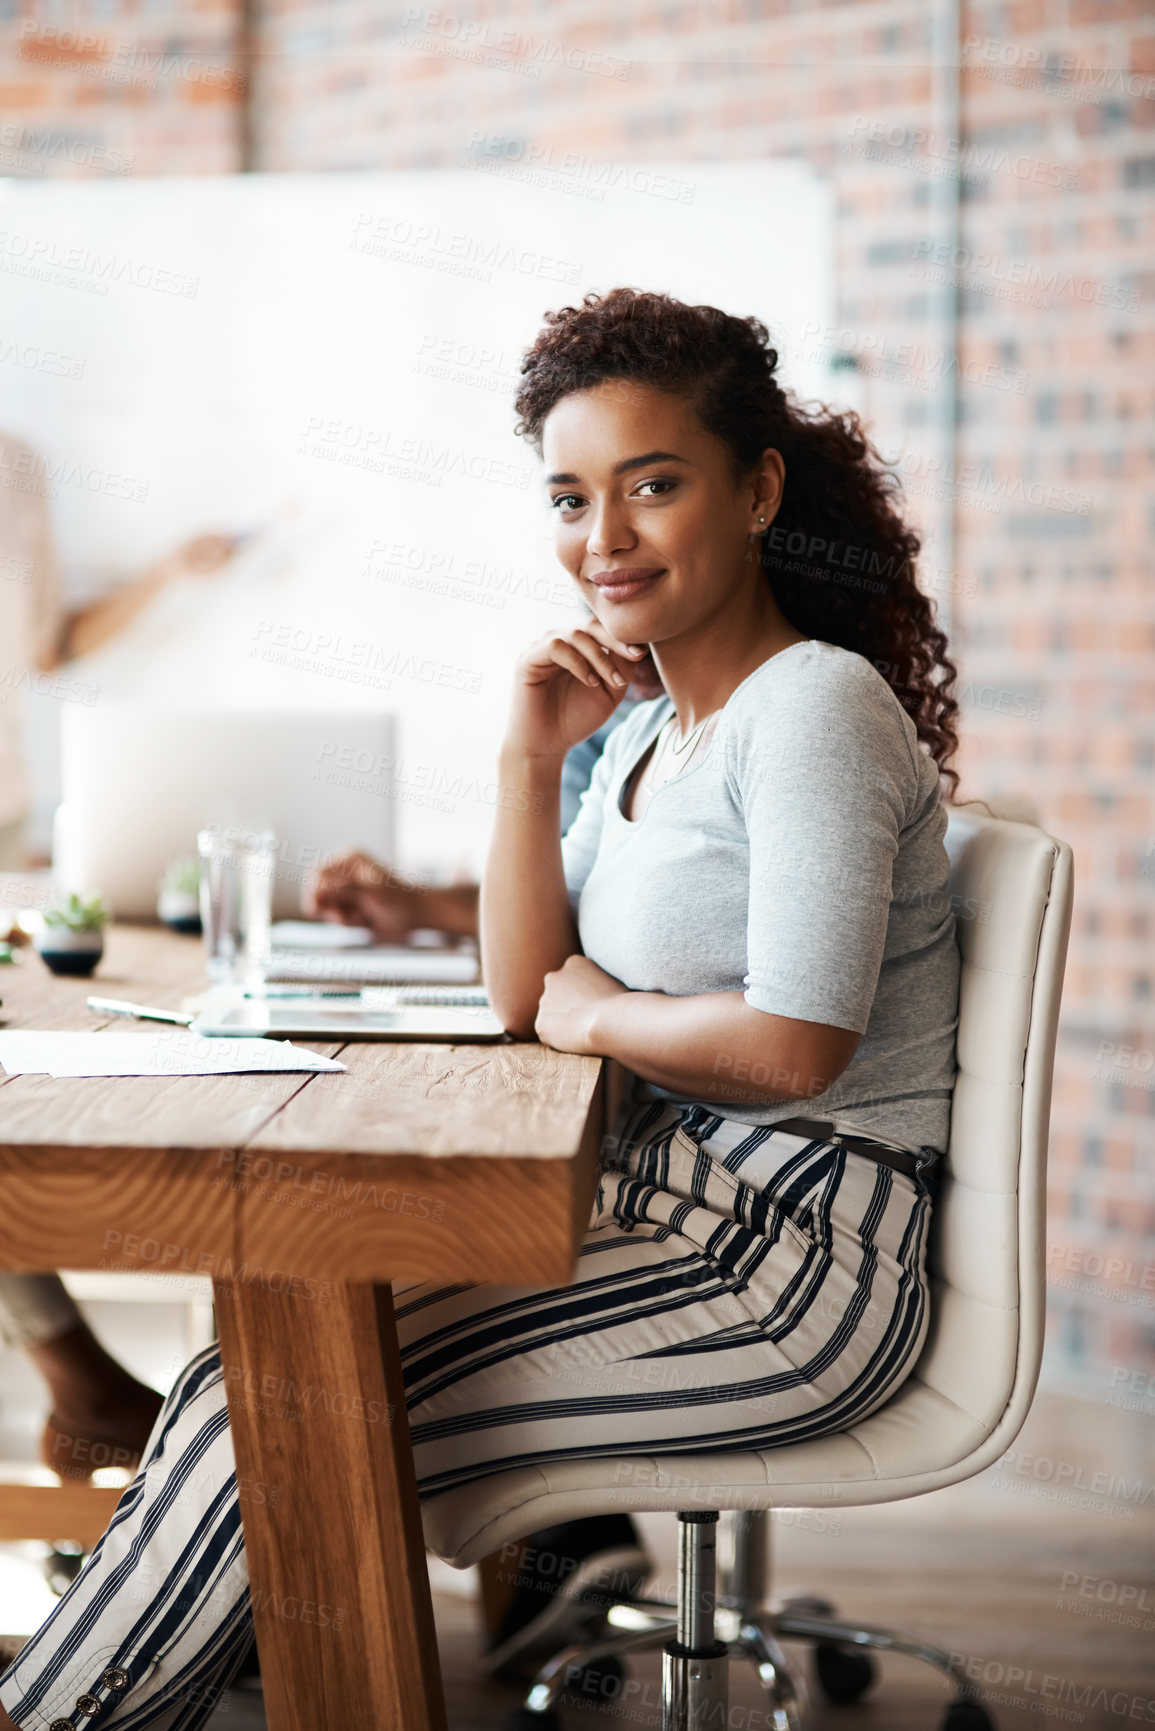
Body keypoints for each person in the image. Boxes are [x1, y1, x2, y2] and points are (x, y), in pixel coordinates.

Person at [0, 287, 962, 1730]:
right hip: (673, 1212)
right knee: (252, 1378)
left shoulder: (808, 706)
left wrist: (596, 1020)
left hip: (792, 1264)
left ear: (757, 490)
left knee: (272, 1404)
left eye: (652, 485)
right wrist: (523, 759)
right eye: (569, 498)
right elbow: (524, 982)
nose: (604, 538)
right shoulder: (651, 722)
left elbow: (789, 1039)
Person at [0, 431, 241, 1483]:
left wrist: (166, 578)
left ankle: (83, 1386)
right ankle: (78, 1380)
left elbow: (39, 644)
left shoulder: (14, 464)